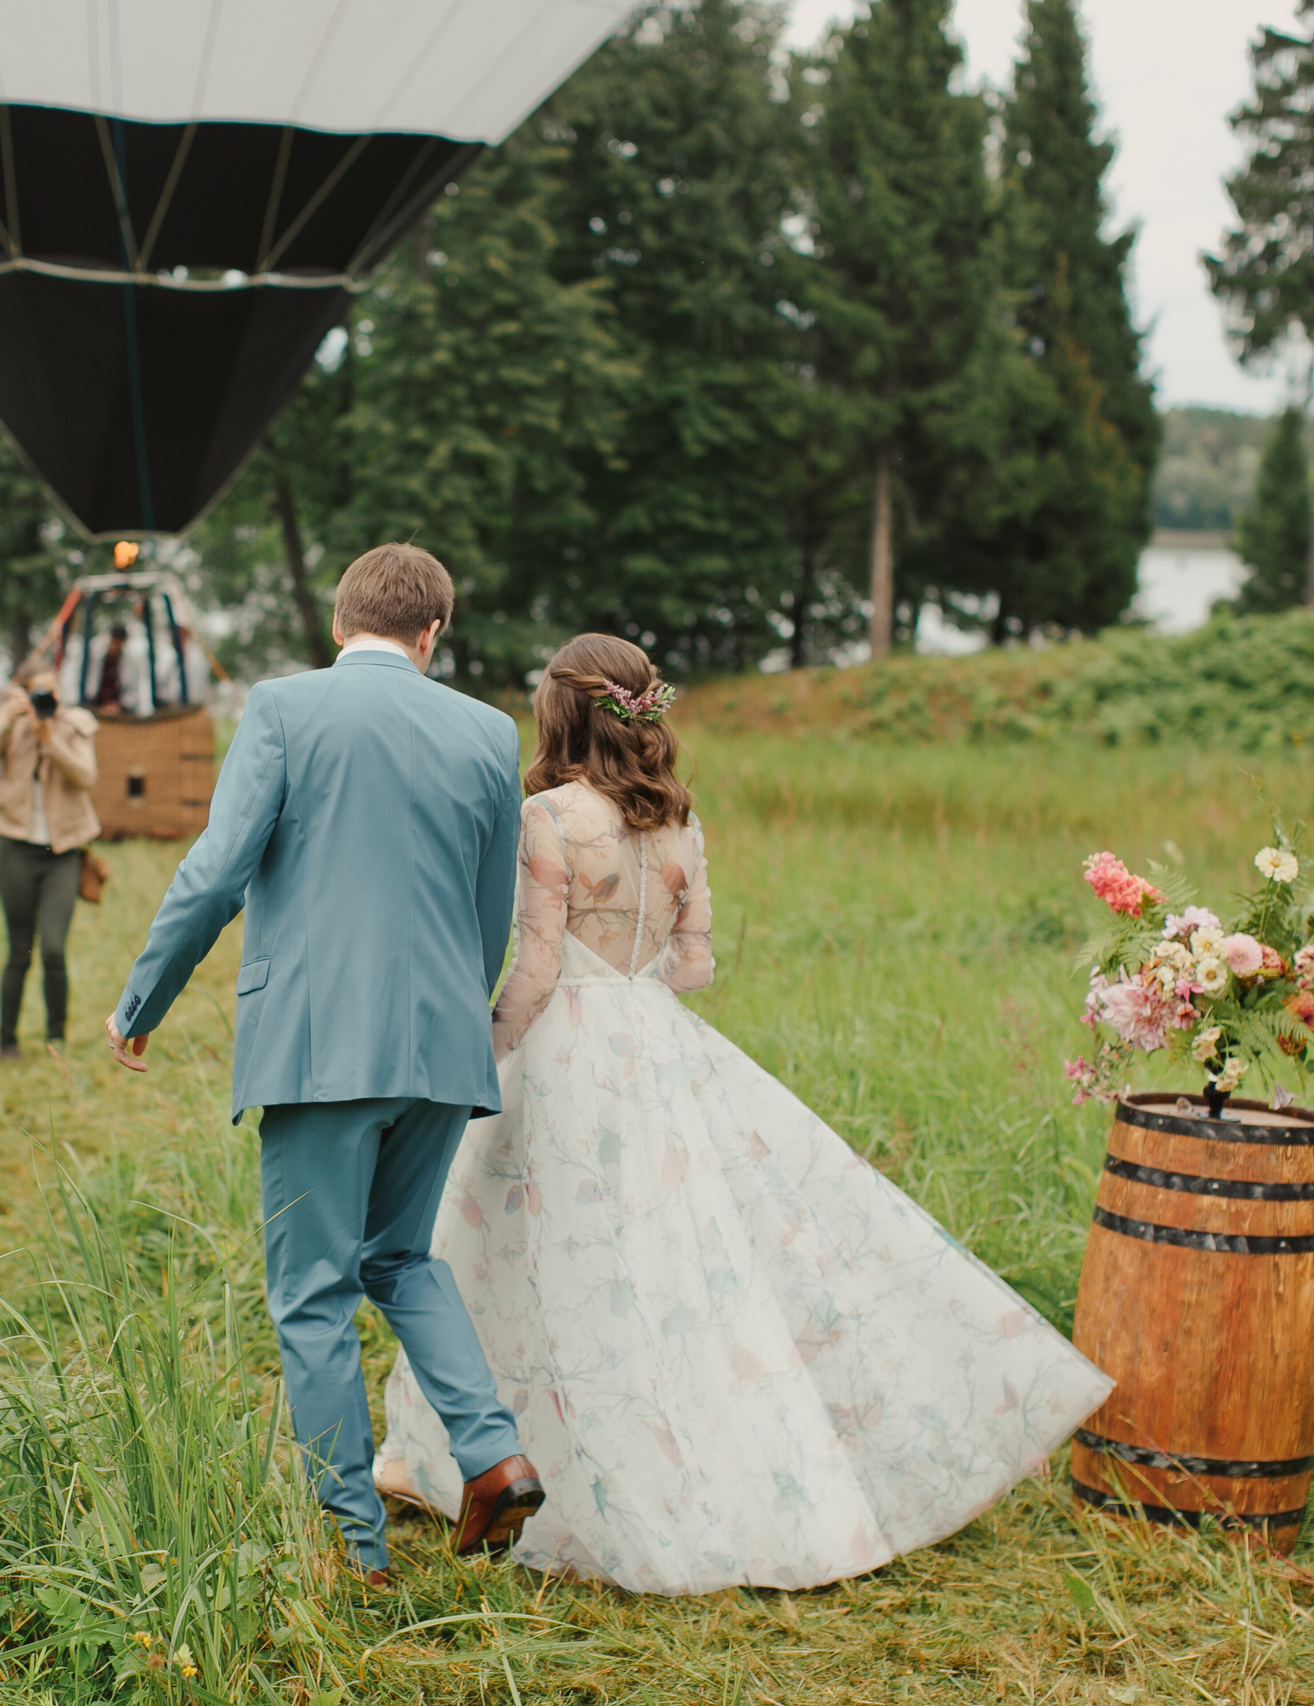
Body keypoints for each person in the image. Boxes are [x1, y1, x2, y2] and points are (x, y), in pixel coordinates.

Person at [373, 633, 1113, 1594]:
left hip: (564, 1054)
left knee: (522, 1252)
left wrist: (481, 1054)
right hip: (658, 1047)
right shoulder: (681, 824)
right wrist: (637, 982)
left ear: (561, 715)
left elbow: (540, 970)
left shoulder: (547, 816)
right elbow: (694, 968)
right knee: (677, 1270)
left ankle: (485, 1459)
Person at [103, 544, 544, 1585]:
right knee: (399, 1260)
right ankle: (493, 1451)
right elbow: (493, 918)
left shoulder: (284, 708)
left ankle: (354, 1540)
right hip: (440, 1045)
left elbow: (215, 872)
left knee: (310, 1292)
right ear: (431, 632)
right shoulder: (487, 731)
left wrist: (142, 999)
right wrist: (446, 1017)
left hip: (318, 1048)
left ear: (340, 623)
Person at [0, 664, 99, 1059]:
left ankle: (55, 1037)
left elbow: (86, 777)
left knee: (54, 949)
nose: (46, 702)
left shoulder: (75, 727)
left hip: (62, 854)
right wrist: (4, 722)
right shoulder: (12, 726)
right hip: (16, 850)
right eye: (37, 693)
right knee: (19, 949)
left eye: (51, 693)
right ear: (22, 696)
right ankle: (7, 1040)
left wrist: (51, 741)